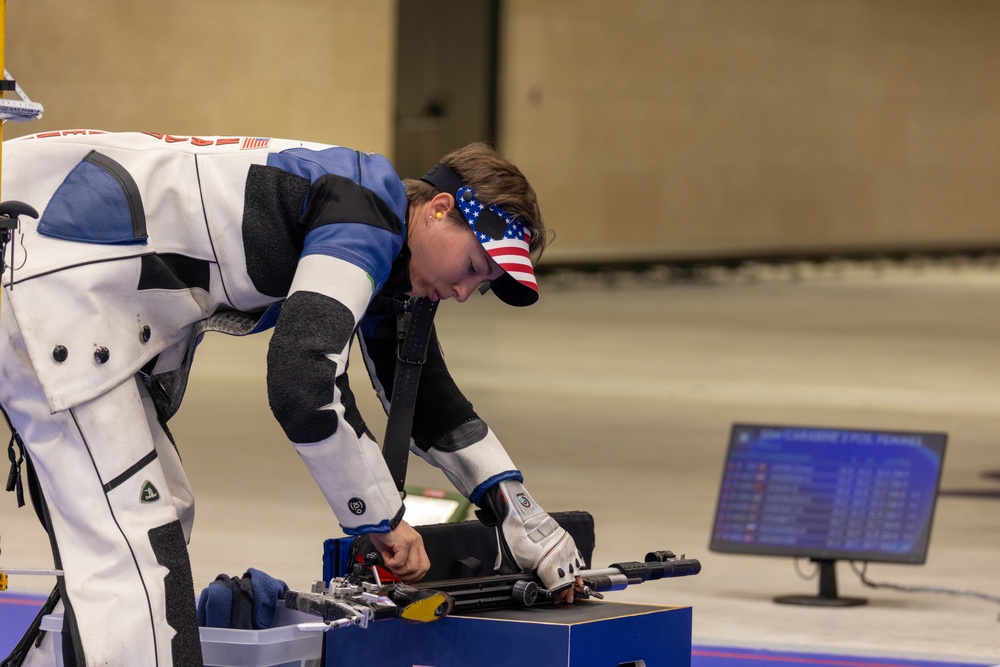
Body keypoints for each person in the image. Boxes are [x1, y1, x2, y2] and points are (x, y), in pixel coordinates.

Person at [0, 130, 585, 666]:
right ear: (440, 209)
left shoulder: (371, 226)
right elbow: (304, 381)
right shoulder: (365, 214)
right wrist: (382, 520)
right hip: (48, 284)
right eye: (474, 266)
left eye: (479, 287)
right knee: (135, 539)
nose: (462, 291)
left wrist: (524, 517)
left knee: (162, 513)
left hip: (56, 281)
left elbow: (428, 396)